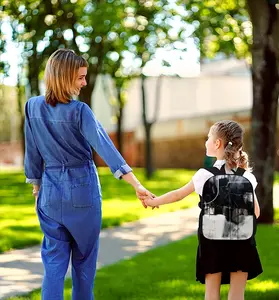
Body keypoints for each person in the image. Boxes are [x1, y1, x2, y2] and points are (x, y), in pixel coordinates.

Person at [24, 48, 154, 300]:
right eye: (80, 77)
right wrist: (136, 184)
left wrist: (37, 188)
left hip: (49, 194)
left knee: (53, 264)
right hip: (82, 191)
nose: (84, 83)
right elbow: (106, 147)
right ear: (64, 77)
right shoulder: (79, 111)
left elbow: (32, 153)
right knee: (84, 264)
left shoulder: (32, 107)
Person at [144, 120, 262, 300]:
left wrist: (154, 202)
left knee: (211, 294)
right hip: (241, 242)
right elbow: (256, 212)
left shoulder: (204, 175)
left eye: (208, 138)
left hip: (212, 243)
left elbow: (177, 195)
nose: (206, 142)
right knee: (237, 295)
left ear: (217, 144)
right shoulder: (247, 176)